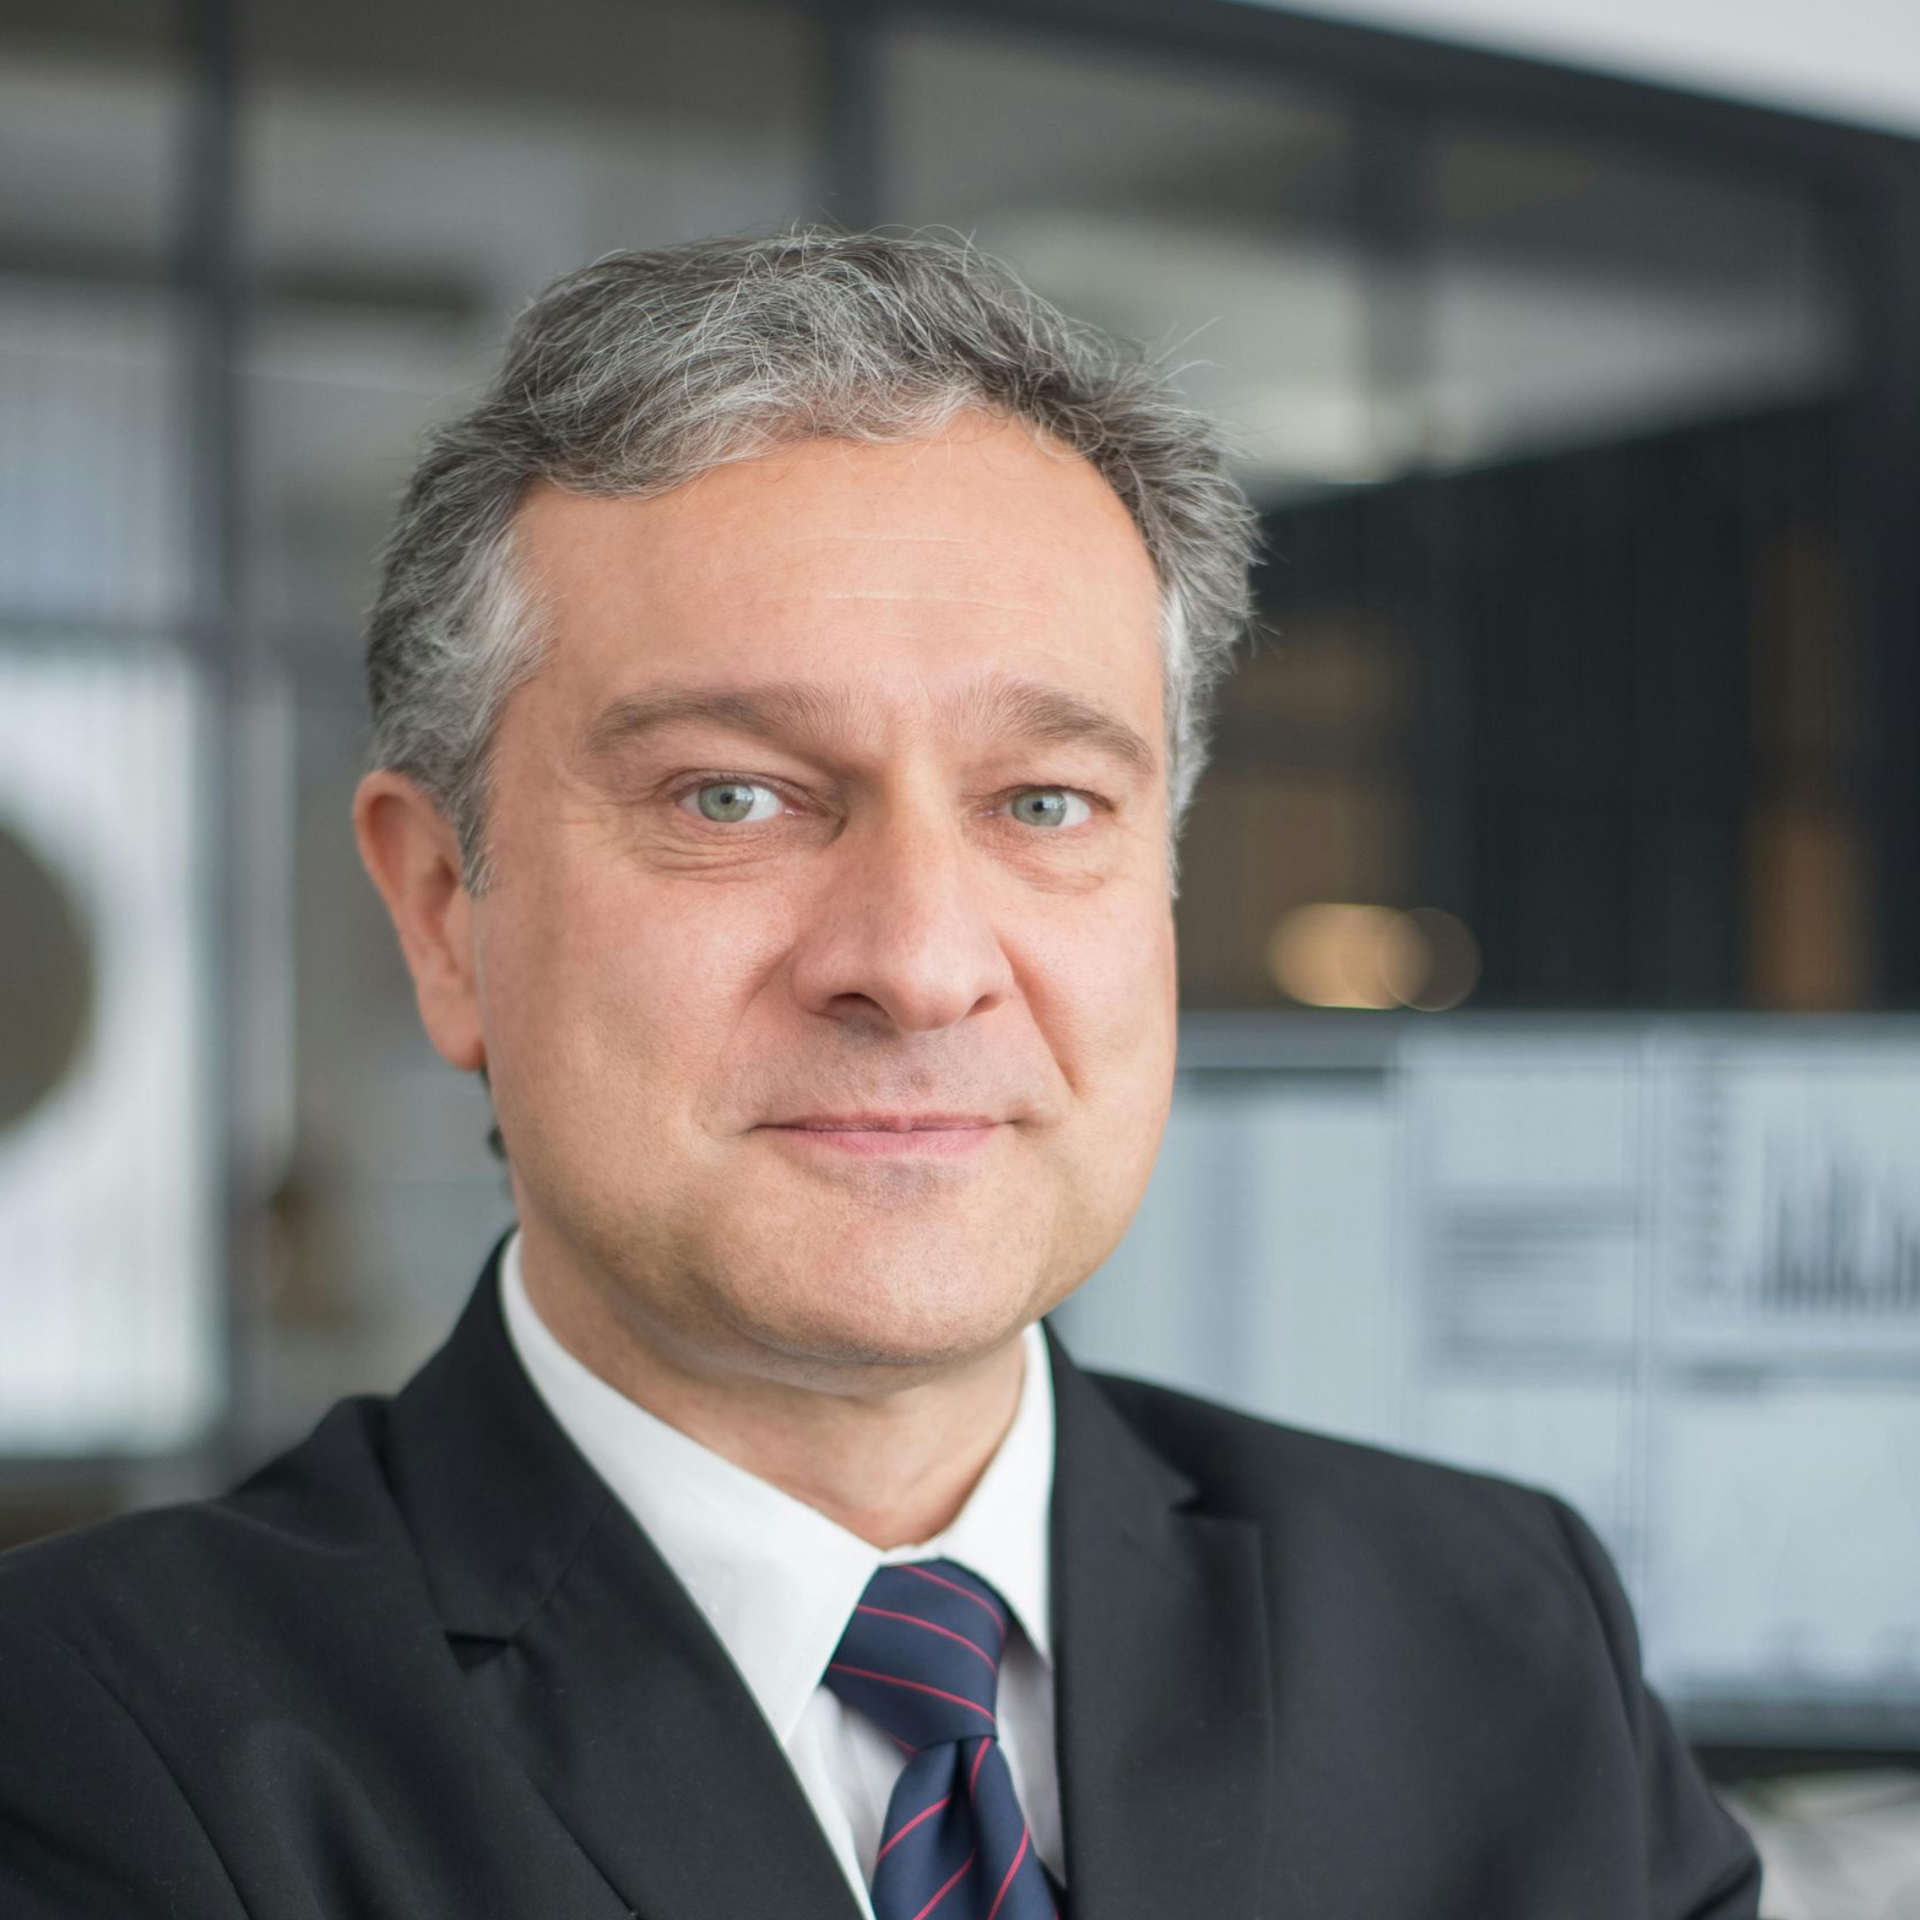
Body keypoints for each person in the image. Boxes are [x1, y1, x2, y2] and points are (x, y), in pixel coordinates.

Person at [0, 230, 1762, 1919]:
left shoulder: (1501, 1631)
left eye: (1045, 803)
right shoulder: (98, 1743)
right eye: (732, 797)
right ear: (445, 912)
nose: (919, 962)